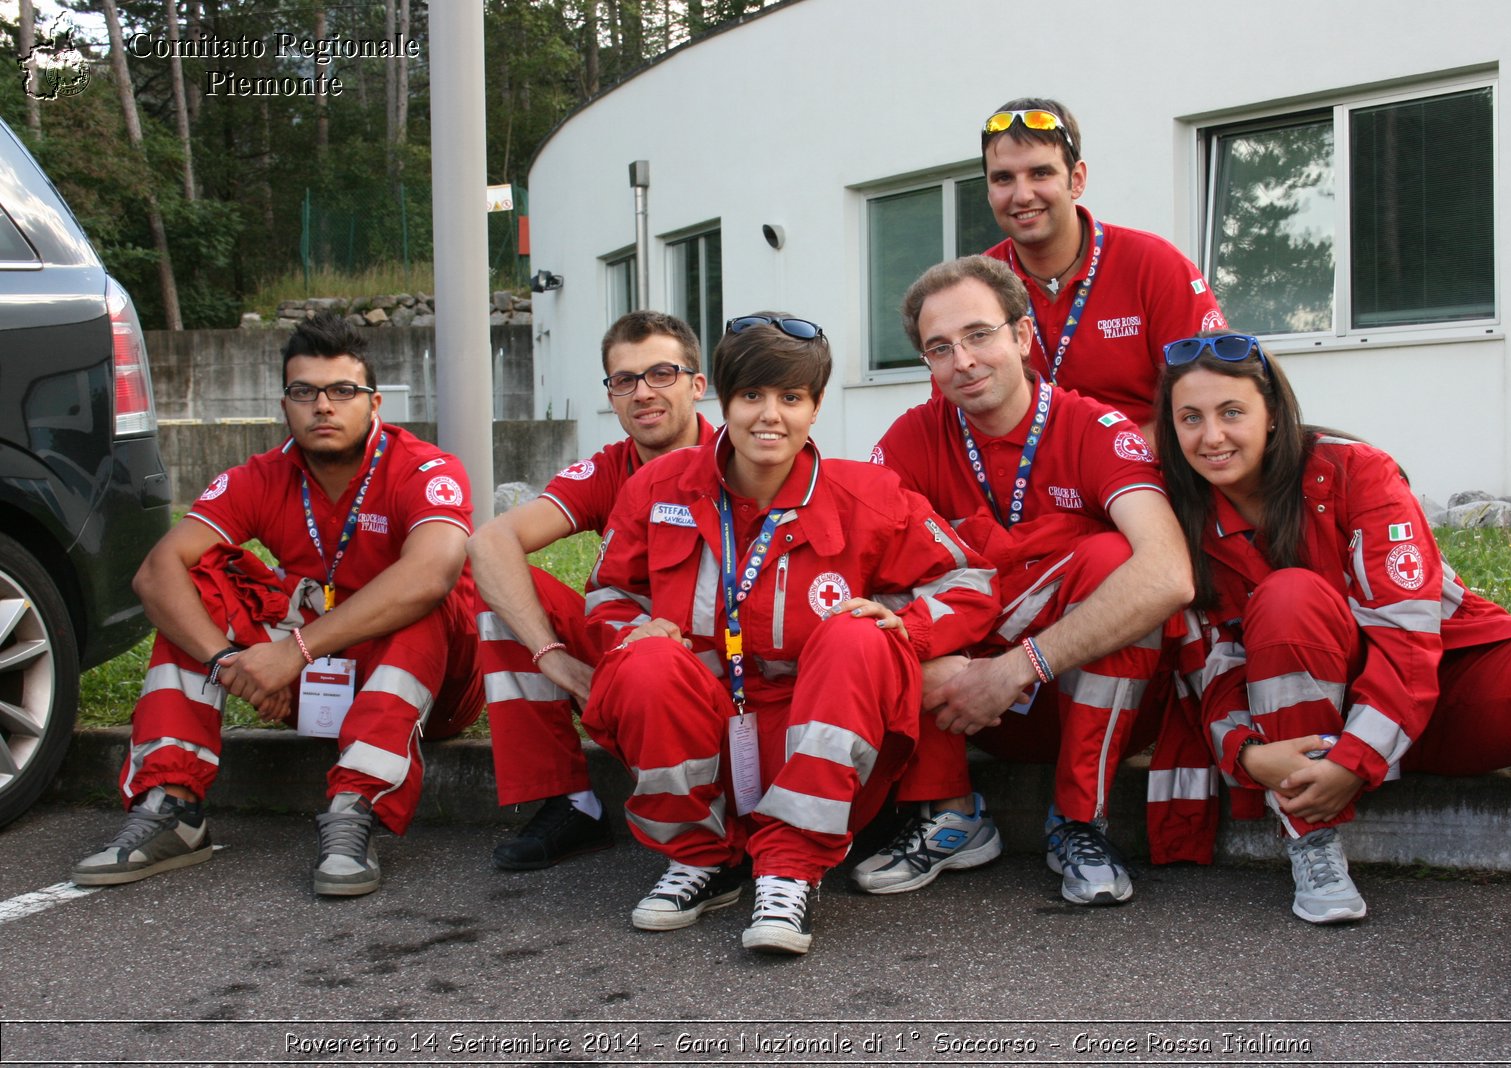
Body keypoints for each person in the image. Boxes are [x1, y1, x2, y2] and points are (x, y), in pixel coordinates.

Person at [1154, 331, 1511, 958]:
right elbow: (1207, 670)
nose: (1212, 436)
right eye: (1190, 418)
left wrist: (1357, 758)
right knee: (1289, 596)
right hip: (1316, 733)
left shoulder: (1356, 471)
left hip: (1441, 692)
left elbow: (1410, 635)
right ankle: (1314, 845)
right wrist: (1251, 757)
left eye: (1232, 412)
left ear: (1274, 414)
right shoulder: (1179, 519)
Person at [581, 313, 999, 955]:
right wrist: (636, 629)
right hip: (704, 723)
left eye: (790, 397)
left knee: (857, 635)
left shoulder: (869, 495)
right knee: (644, 661)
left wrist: (909, 629)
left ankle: (791, 871)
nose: (768, 415)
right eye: (751, 395)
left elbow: (971, 582)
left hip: (815, 735)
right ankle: (701, 861)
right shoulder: (657, 488)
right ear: (722, 400)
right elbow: (609, 593)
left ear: (816, 406)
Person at [71, 314, 484, 897]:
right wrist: (228, 664)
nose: (323, 406)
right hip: (316, 677)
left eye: (342, 391)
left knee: (419, 599)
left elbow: (433, 572)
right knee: (199, 581)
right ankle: (173, 807)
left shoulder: (423, 468)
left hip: (431, 686)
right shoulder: (261, 475)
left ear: (374, 403)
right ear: (284, 404)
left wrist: (293, 651)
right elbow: (156, 572)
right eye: (304, 392)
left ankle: (355, 810)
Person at [856, 256, 1192, 905]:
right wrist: (911, 655)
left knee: (1115, 563)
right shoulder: (911, 437)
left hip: (1083, 697)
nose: (964, 361)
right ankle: (949, 813)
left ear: (1022, 336)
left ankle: (1079, 822)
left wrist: (1017, 668)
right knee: (888, 595)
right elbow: (853, 572)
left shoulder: (1094, 428)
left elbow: (1169, 572)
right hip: (964, 706)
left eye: (979, 334)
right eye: (940, 348)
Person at [467, 311, 714, 871]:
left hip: (719, 656)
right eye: (624, 380)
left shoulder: (741, 451)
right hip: (630, 644)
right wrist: (556, 661)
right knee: (498, 587)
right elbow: (490, 543)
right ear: (611, 394)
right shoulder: (610, 468)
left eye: (661, 374)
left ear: (698, 385)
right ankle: (569, 804)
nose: (643, 393)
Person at [981, 96, 1226, 435]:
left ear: (1077, 179)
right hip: (1022, 482)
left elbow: (1214, 401)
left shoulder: (1154, 266)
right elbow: (949, 420)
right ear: (989, 191)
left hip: (1146, 474)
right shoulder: (976, 285)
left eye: (1040, 173)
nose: (1022, 195)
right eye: (1004, 178)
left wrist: (1106, 464)